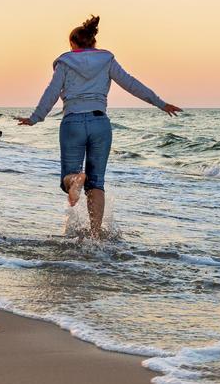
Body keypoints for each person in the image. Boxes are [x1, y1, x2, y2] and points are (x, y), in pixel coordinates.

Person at [17, 15, 182, 238]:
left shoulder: (65, 63)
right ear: (93, 42)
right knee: (96, 182)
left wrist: (35, 117)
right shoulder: (106, 60)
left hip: (73, 122)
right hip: (100, 123)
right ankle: (95, 236)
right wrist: (160, 103)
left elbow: (52, 92)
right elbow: (131, 84)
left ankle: (75, 180)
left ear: (73, 44)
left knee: (69, 177)